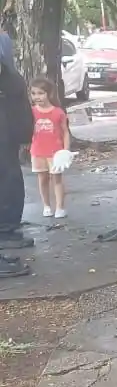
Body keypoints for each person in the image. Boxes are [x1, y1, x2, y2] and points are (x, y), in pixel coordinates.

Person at [0, 60, 36, 274]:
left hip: (7, 137)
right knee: (8, 179)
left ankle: (7, 227)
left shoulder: (9, 76)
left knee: (9, 179)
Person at [29, 78, 70, 220]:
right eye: (33, 93)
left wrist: (66, 150)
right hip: (38, 151)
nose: (37, 97)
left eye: (41, 93)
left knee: (57, 179)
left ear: (49, 93)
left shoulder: (58, 112)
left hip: (55, 152)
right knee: (42, 179)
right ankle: (46, 206)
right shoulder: (31, 112)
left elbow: (65, 132)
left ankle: (60, 207)